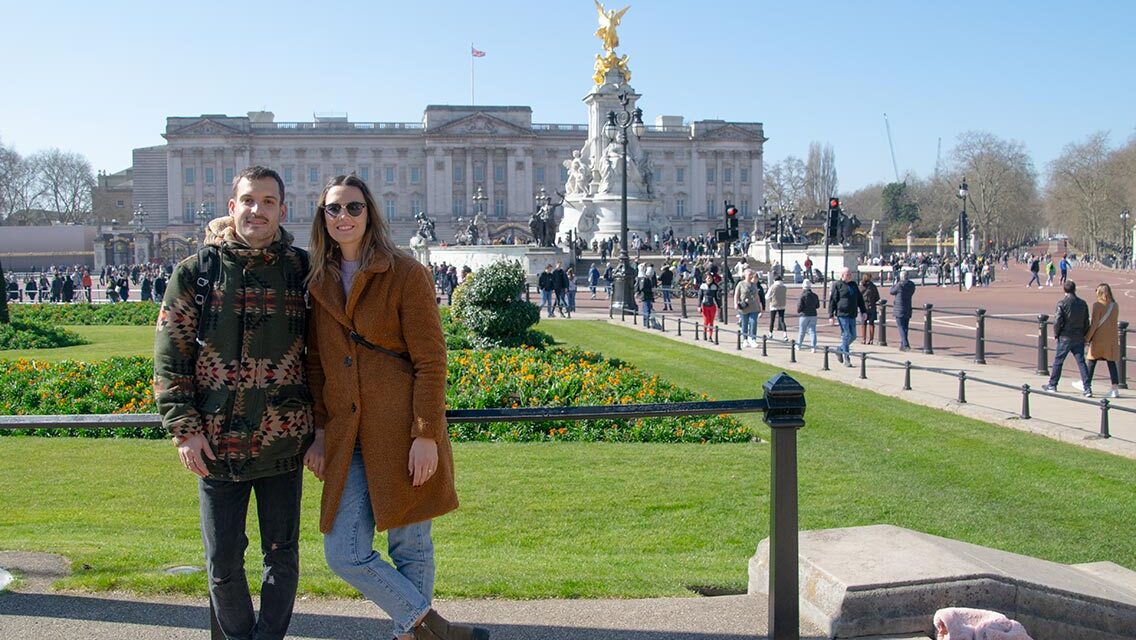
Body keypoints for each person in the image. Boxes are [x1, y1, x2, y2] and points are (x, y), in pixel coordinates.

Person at [302, 174, 486, 640]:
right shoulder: (318, 280)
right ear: (322, 219)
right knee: (343, 552)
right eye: (333, 209)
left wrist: (426, 434)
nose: (343, 217)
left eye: (353, 208)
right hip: (348, 435)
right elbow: (318, 367)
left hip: (403, 429)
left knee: (411, 542)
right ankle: (432, 627)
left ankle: (414, 635)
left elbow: (430, 359)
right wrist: (320, 432)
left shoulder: (406, 272)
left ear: (370, 214)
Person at [154, 166, 313, 640]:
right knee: (222, 561)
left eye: (267, 202)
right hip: (215, 440)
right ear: (232, 207)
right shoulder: (196, 271)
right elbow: (170, 352)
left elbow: (327, 355)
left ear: (282, 210)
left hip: (282, 439)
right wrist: (184, 427)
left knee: (281, 557)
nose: (257, 210)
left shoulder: (304, 270)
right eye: (248, 200)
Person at [1042, 281, 1092, 397]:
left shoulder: (1062, 303)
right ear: (1075, 289)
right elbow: (1086, 321)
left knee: (1058, 361)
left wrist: (1056, 333)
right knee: (1081, 363)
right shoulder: (1082, 303)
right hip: (1078, 336)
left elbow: (1057, 321)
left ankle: (1052, 385)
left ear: (1064, 290)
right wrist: (1084, 334)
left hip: (1065, 336)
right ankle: (1087, 388)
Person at [1080, 283, 1120, 399]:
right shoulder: (1115, 305)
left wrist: (1087, 338)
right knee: (1111, 363)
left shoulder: (1097, 305)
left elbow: (1094, 324)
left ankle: (1086, 385)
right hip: (1111, 339)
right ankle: (1114, 388)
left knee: (1091, 361)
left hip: (1099, 338)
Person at [828, 267, 866, 366]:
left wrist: (863, 311)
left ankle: (840, 349)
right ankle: (846, 357)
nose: (850, 276)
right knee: (846, 335)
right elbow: (833, 301)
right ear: (842, 275)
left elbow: (860, 299)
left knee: (853, 336)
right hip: (842, 314)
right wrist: (831, 315)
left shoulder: (853, 285)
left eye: (850, 274)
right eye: (847, 274)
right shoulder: (837, 285)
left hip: (852, 313)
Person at [889, 270, 916, 351]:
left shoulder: (899, 285)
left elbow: (891, 291)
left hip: (899, 308)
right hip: (907, 307)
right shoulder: (911, 285)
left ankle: (905, 344)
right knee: (905, 327)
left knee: (901, 327)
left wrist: (895, 283)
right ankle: (902, 345)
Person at [734, 268, 759, 348]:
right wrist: (736, 303)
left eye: (751, 274)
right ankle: (745, 339)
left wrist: (759, 306)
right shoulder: (740, 284)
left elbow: (756, 296)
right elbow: (736, 294)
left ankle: (753, 339)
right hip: (744, 307)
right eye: (749, 274)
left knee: (753, 321)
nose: (750, 276)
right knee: (744, 323)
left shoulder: (754, 285)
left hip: (753, 306)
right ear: (745, 275)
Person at [796, 279, 820, 352]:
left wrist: (799, 311)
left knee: (802, 331)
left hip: (804, 315)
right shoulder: (815, 295)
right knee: (812, 331)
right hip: (813, 314)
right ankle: (813, 347)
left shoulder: (802, 295)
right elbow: (817, 305)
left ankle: (799, 345)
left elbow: (799, 306)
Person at [765, 273, 787, 340]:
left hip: (774, 305)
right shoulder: (784, 287)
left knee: (772, 320)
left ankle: (770, 333)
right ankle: (785, 335)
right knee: (782, 320)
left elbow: (767, 297)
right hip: (782, 304)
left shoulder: (773, 287)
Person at [860, 273, 880, 345]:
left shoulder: (861, 286)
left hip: (863, 307)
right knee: (871, 323)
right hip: (872, 306)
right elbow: (877, 297)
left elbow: (858, 296)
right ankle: (871, 339)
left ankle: (863, 339)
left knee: (863, 323)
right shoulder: (873, 286)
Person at [636, 263, 655, 328]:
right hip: (646, 296)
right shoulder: (644, 279)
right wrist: (651, 290)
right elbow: (642, 288)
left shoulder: (647, 279)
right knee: (646, 310)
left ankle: (646, 322)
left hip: (648, 296)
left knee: (647, 309)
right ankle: (646, 323)